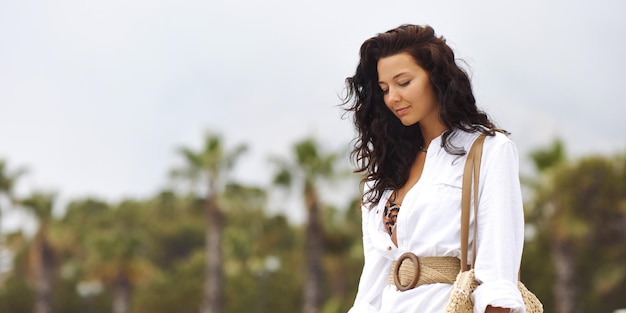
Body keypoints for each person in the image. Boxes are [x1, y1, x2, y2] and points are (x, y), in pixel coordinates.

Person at [342, 24, 526, 313]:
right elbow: (373, 282)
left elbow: (498, 277)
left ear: (436, 78)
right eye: (384, 89)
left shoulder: (488, 151)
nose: (392, 98)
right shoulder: (386, 172)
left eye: (403, 83)